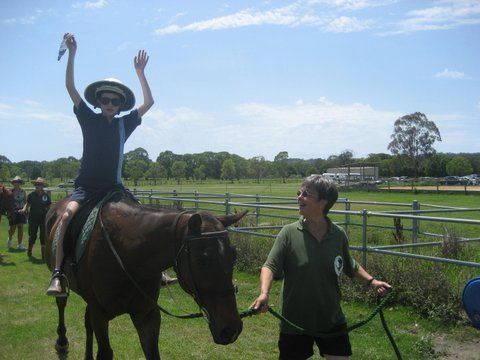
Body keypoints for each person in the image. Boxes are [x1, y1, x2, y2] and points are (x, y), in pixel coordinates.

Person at [46, 33, 154, 297]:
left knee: (143, 217)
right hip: (86, 188)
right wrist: (72, 55)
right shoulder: (88, 118)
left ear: (119, 106)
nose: (109, 104)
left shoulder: (123, 124)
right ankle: (58, 273)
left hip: (114, 188)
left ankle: (155, 270)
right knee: (67, 216)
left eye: (114, 101)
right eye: (105, 100)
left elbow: (149, 103)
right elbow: (71, 88)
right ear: (98, 102)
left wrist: (140, 73)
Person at [251, 175, 391, 360]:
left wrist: (372, 282)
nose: (299, 197)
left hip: (331, 318)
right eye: (299, 193)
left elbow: (350, 265)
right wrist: (264, 293)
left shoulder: (338, 234)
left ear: (323, 202)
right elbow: (269, 266)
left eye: (306, 194)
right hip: (295, 322)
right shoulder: (288, 233)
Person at [22, 177, 51, 260]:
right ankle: (29, 251)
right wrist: (24, 209)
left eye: (39, 184)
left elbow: (49, 206)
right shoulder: (31, 195)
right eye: (36, 184)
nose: (37, 186)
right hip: (33, 218)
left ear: (42, 186)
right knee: (32, 235)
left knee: (43, 236)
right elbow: (27, 204)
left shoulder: (46, 196)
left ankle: (43, 255)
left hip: (43, 218)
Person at [7, 176, 27, 251]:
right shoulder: (10, 191)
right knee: (12, 228)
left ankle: (20, 244)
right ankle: (10, 238)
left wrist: (24, 209)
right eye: (15, 182)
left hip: (21, 211)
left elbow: (25, 202)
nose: (16, 183)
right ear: (13, 183)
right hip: (12, 211)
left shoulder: (23, 191)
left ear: (20, 183)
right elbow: (8, 202)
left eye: (18, 182)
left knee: (20, 227)